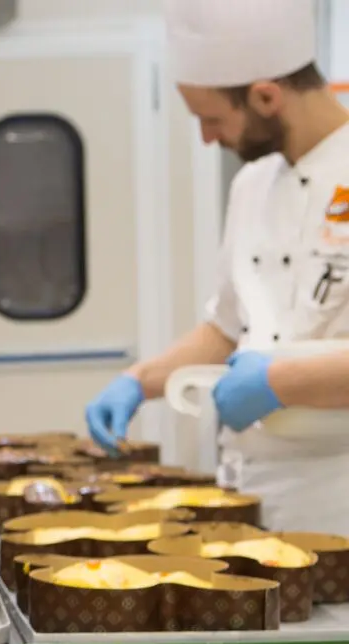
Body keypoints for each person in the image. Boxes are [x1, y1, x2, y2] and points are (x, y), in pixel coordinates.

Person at [86, 0, 349, 533]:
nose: (207, 138)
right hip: (251, 493)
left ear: (266, 96)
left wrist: (281, 378)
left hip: (337, 496)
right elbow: (227, 328)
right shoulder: (251, 186)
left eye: (212, 119)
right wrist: (138, 381)